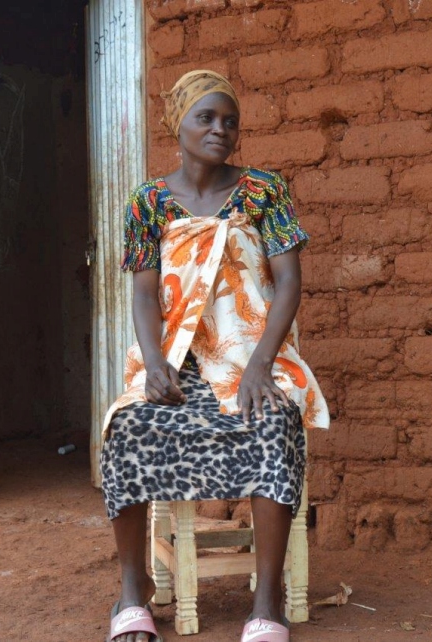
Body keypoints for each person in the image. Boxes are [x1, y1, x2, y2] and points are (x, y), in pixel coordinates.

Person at [99, 70, 329, 642]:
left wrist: (258, 367)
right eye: (206, 117)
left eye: (230, 121)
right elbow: (145, 292)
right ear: (178, 124)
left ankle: (266, 598)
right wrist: (154, 362)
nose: (220, 130)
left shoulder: (263, 191)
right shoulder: (147, 202)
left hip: (255, 360)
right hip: (178, 360)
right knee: (126, 426)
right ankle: (133, 590)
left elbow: (289, 283)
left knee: (274, 423)